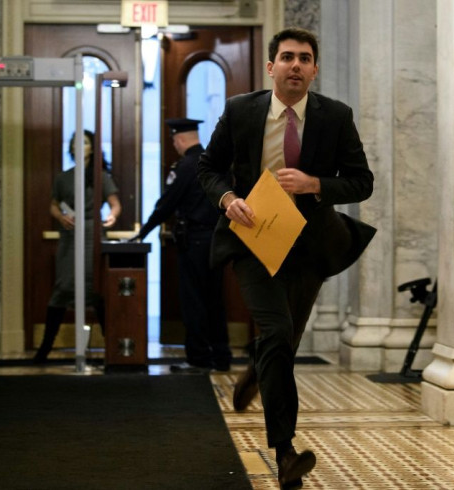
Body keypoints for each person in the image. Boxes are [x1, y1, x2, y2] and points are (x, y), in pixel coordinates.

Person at [197, 28, 374, 489]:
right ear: (271, 67)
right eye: (288, 57)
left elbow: (361, 181)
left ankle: (258, 367)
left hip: (309, 245)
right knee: (277, 331)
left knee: (284, 343)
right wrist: (227, 198)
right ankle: (286, 453)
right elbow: (207, 169)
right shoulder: (241, 111)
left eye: (305, 58)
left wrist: (316, 184)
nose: (296, 65)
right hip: (253, 239)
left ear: (315, 70)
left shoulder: (335, 117)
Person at [131, 118, 232, 373]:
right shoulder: (215, 164)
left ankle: (198, 358)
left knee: (194, 301)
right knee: (215, 301)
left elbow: (166, 205)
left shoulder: (186, 166)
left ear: (179, 139)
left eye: (174, 141)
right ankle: (221, 357)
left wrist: (141, 233)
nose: (175, 145)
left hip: (194, 244)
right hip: (216, 241)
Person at [33, 130, 122, 363]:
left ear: (92, 148)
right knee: (63, 286)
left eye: (84, 143)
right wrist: (60, 216)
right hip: (70, 235)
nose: (79, 147)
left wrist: (111, 216)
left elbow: (115, 204)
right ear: (71, 149)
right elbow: (53, 205)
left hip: (93, 234)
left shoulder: (101, 176)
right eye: (75, 143)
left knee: (96, 288)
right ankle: (45, 347)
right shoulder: (63, 177)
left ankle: (112, 346)